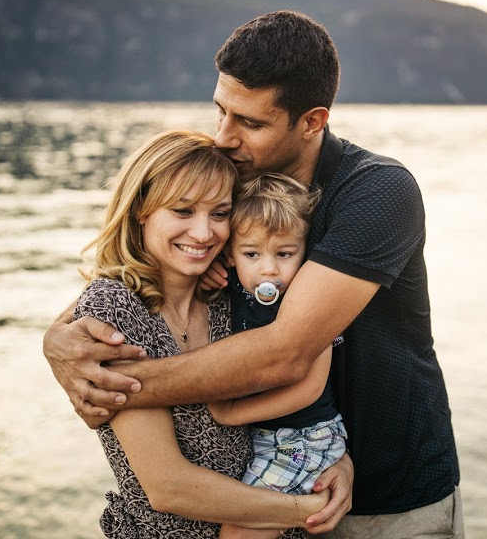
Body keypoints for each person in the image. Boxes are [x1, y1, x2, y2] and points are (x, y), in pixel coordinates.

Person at [44, 10, 464, 538]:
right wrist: (58, 340)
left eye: (251, 123)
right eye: (221, 111)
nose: (223, 137)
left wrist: (108, 384)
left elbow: (284, 354)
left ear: (312, 121)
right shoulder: (234, 190)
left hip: (387, 500)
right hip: (268, 492)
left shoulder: (377, 193)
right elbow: (133, 277)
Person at [73, 129, 330, 537]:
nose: (203, 233)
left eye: (220, 213)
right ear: (141, 210)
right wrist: (307, 509)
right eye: (183, 211)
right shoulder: (113, 310)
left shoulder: (229, 299)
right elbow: (168, 488)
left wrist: (332, 460)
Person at [207, 173, 347, 539]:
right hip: (268, 437)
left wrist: (234, 414)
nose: (268, 269)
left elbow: (310, 388)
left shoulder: (308, 300)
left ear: (305, 251)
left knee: (238, 531)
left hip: (303, 439)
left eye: (285, 254)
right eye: (252, 254)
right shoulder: (235, 284)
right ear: (230, 254)